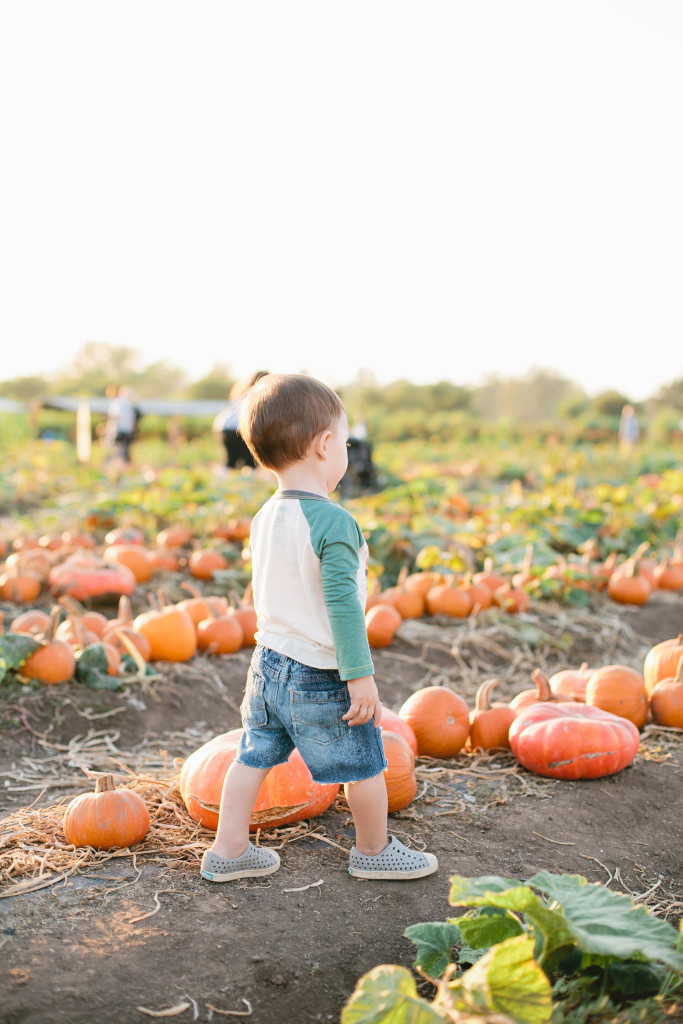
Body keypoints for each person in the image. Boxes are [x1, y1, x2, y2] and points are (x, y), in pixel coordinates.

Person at [200, 374, 438, 883]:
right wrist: (360, 675)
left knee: (251, 757)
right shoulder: (335, 522)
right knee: (364, 763)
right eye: (346, 443)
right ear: (326, 445)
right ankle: (373, 851)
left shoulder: (264, 516)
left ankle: (228, 850)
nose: (346, 452)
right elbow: (343, 607)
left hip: (266, 664)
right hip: (319, 672)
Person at [213, 371, 269, 469]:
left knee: (231, 461)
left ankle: (221, 475)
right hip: (239, 428)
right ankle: (248, 477)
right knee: (250, 461)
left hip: (223, 425)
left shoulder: (241, 391)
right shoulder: (257, 395)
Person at [105, 385, 138, 466]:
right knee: (124, 452)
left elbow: (116, 416)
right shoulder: (128, 403)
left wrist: (107, 418)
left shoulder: (117, 403)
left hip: (118, 430)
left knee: (117, 452)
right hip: (127, 430)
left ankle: (119, 468)